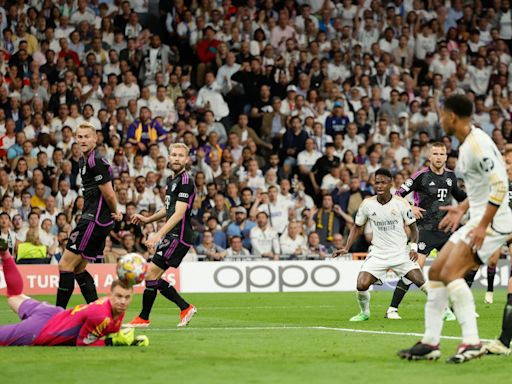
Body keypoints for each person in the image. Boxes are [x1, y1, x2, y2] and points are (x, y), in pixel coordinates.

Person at [398, 95, 512, 363]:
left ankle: (471, 341)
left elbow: (500, 186)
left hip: (493, 221)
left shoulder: (476, 146)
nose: (440, 120)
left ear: (451, 117)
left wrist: (483, 225)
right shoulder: (470, 142)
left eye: (441, 115)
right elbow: (485, 186)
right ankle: (430, 342)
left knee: (450, 272)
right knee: (436, 271)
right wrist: (462, 209)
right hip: (478, 216)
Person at [0, 242, 148, 347]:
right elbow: (82, 342)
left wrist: (131, 341)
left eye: (127, 297)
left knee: (14, 296)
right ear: (110, 295)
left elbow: (105, 331)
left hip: (52, 313)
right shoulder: (101, 315)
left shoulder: (115, 309)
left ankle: (5, 253)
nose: (123, 301)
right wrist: (112, 342)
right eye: (119, 296)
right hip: (42, 329)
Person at [386, 142, 467, 320]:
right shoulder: (420, 176)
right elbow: (397, 195)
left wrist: (477, 197)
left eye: (442, 154)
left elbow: (460, 197)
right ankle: (392, 309)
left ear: (446, 157)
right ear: (429, 157)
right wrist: (410, 207)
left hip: (446, 230)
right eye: (435, 154)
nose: (438, 157)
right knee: (415, 268)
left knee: (456, 267)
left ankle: (452, 308)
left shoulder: (451, 177)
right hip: (424, 230)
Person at [333, 168, 427, 322]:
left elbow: (413, 228)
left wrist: (413, 248)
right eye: (377, 182)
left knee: (420, 281)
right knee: (361, 285)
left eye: (383, 182)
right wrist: (346, 247)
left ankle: (443, 311)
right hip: (378, 253)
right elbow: (357, 227)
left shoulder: (402, 203)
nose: (379, 185)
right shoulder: (367, 204)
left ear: (390, 183)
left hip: (400, 253)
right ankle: (364, 313)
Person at [127, 143, 197, 328]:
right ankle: (183, 307)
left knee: (151, 274)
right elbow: (168, 209)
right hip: (172, 234)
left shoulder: (185, 181)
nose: (176, 158)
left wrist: (159, 234)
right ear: (168, 157)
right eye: (173, 154)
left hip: (178, 235)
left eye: (180, 155)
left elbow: (179, 213)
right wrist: (147, 219)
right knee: (152, 276)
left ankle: (145, 317)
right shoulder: (171, 180)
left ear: (186, 159)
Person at [55, 122, 123, 309]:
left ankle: (56, 315)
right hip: (94, 219)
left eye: (87, 136)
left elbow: (109, 193)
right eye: (80, 137)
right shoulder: (84, 160)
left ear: (95, 139)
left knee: (65, 266)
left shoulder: (95, 161)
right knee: (79, 269)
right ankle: (98, 312)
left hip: (94, 220)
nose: (83, 140)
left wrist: (116, 211)